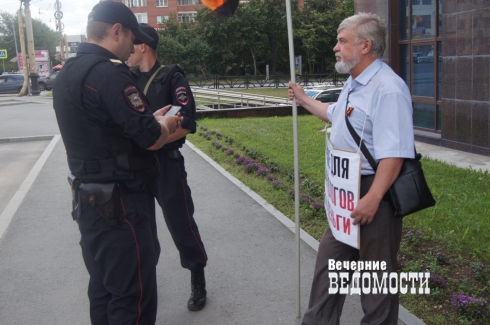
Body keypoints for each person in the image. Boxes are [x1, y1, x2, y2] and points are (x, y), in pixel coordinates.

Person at [52, 2, 182, 324]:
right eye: (131, 39)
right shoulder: (109, 75)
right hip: (121, 207)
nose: (134, 47)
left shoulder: (68, 71)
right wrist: (165, 125)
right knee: (132, 298)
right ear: (116, 31)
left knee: (103, 292)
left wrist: (143, 123)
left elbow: (101, 127)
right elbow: (150, 138)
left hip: (89, 204)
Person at [288, 13, 415, 325]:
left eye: (342, 41)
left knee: (377, 280)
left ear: (365, 46)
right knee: (329, 267)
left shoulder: (388, 89)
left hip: (375, 197)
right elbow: (335, 114)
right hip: (345, 198)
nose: (335, 47)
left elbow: (394, 154)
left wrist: (372, 198)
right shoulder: (354, 83)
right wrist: (304, 100)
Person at [127, 23, 208, 311]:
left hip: (166, 164)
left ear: (143, 46)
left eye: (131, 44)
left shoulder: (172, 77)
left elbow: (186, 123)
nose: (127, 50)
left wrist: (155, 142)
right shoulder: (127, 78)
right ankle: (144, 283)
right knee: (141, 228)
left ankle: (197, 276)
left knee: (180, 223)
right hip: (136, 166)